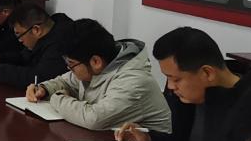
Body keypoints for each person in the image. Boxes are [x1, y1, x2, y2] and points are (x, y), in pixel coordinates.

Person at [116, 26, 251, 141]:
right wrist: (149, 140)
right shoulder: (188, 97)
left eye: (176, 79)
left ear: (207, 73)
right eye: (168, 78)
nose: (170, 86)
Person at [25, 19, 172, 132]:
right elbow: (66, 82)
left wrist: (57, 97)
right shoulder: (100, 65)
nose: (69, 69)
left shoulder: (134, 81)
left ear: (96, 61)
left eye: (71, 64)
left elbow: (94, 119)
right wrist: (44, 89)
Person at [0, 3, 71, 88]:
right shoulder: (45, 35)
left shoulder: (62, 43)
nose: (20, 40)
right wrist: (0, 59)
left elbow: (38, 78)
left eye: (19, 35)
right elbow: (23, 57)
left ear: (36, 30)